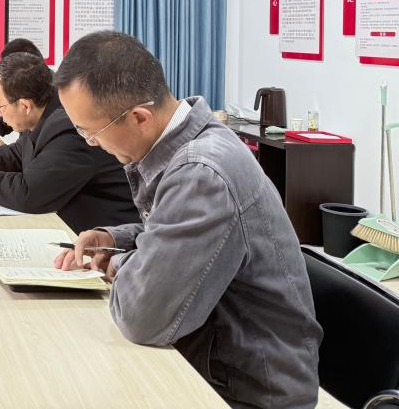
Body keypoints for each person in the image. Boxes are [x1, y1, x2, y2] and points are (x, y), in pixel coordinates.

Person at [53, 30, 321, 408]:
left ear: (139, 117)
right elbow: (171, 228)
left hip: (249, 393)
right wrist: (116, 239)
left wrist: (119, 262)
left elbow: (143, 316)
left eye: (91, 132)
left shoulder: (202, 172)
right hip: (216, 364)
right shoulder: (191, 145)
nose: (91, 143)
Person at [0, 52, 139, 233]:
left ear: (25, 106)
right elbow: (16, 155)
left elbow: (30, 194)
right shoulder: (42, 114)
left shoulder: (69, 128)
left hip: (109, 242)